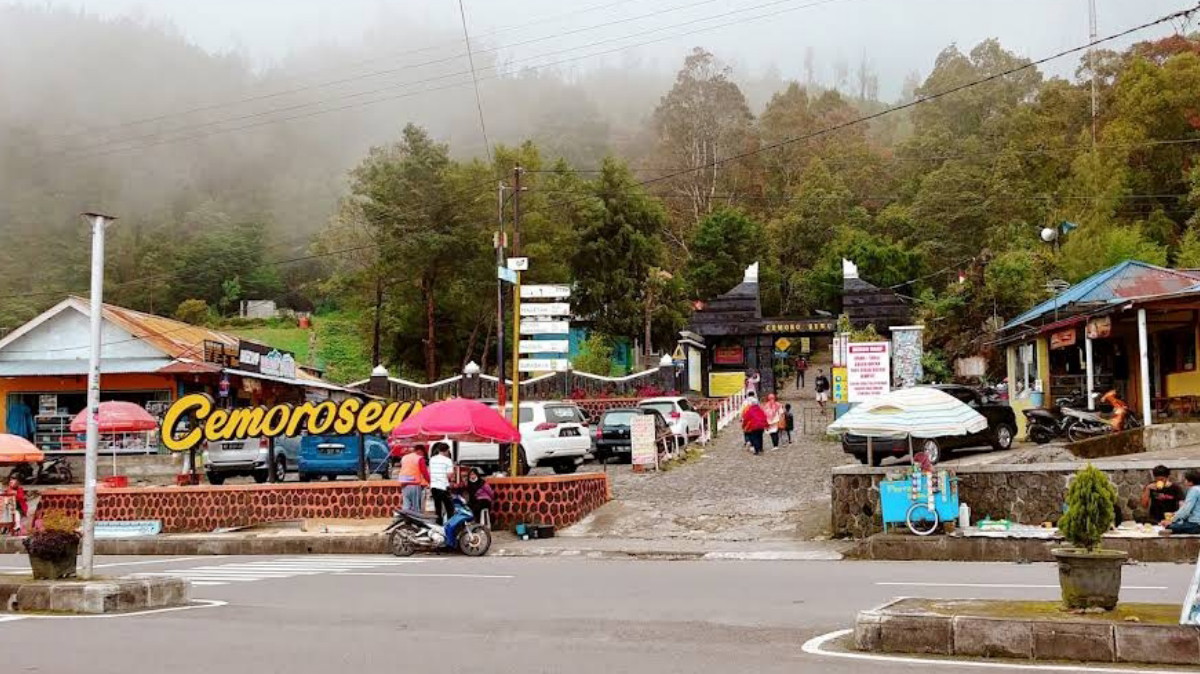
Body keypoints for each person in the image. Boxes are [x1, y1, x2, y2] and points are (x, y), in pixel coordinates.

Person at [1162, 470, 1200, 536]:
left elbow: (1186, 510)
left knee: (1169, 526)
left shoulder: (1194, 490)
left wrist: (1172, 520)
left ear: (1190, 482)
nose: (1184, 481)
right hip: (1195, 522)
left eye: (1185, 479)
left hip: (1196, 524)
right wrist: (1175, 514)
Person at [427, 442, 456, 525]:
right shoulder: (448, 460)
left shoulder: (432, 459)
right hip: (443, 487)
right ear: (446, 451)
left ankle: (438, 526)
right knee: (450, 508)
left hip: (434, 487)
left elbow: (430, 471)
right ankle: (450, 526)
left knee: (438, 509)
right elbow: (449, 475)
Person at [396, 445, 430, 514]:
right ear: (421, 451)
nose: (423, 455)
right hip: (414, 484)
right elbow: (424, 472)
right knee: (415, 507)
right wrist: (430, 481)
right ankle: (416, 523)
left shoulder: (404, 457)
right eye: (423, 453)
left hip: (404, 484)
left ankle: (406, 521)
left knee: (406, 505)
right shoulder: (419, 458)